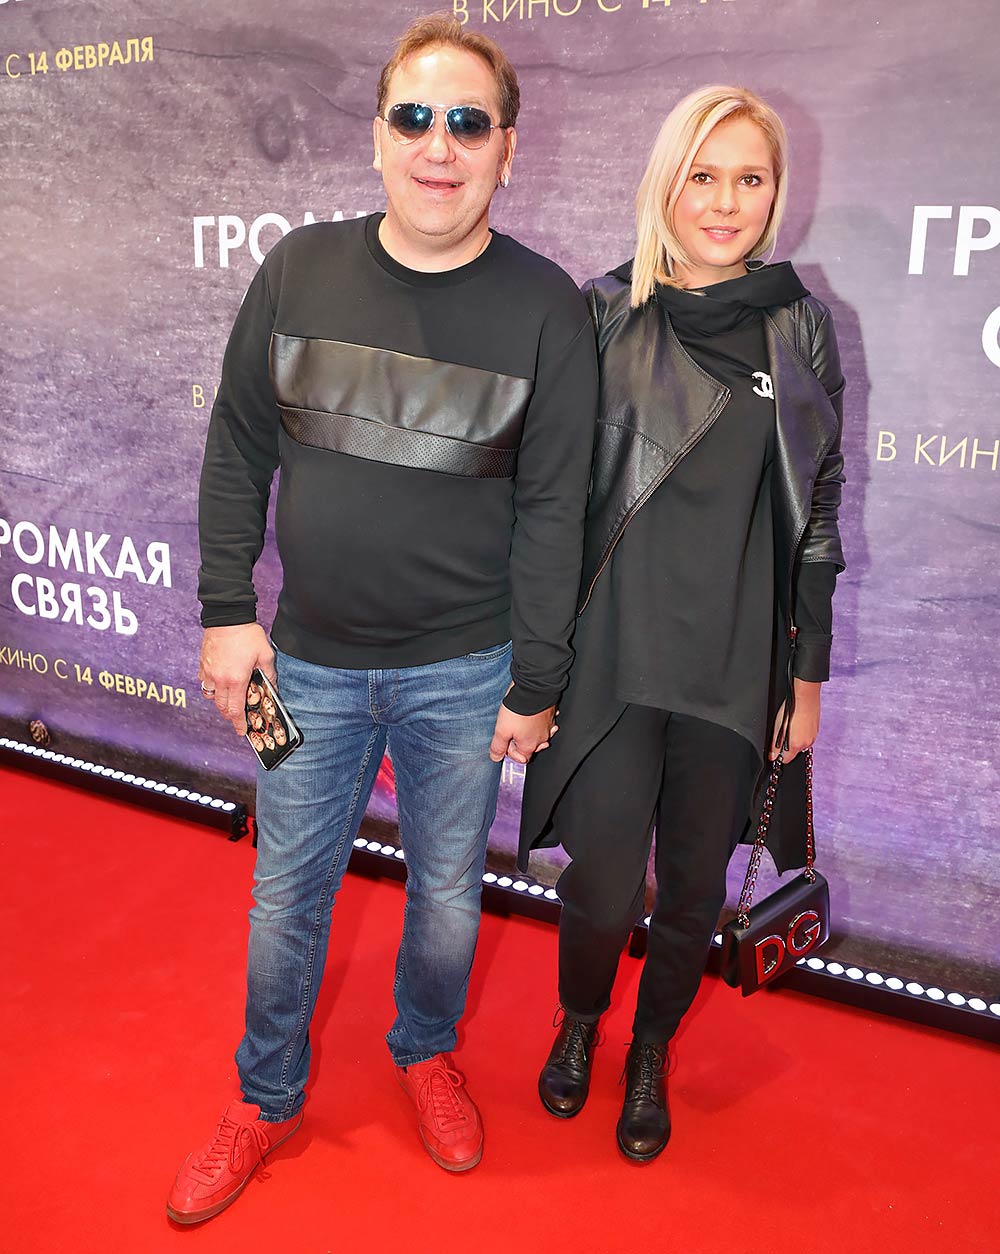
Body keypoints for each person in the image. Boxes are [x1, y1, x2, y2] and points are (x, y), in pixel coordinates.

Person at [168, 15, 597, 1224]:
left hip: (467, 675)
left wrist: (536, 677)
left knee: (448, 897)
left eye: (467, 122)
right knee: (284, 899)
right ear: (375, 136)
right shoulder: (298, 271)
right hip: (301, 667)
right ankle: (263, 1095)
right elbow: (237, 449)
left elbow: (554, 510)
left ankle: (424, 1051)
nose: (437, 145)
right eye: (413, 117)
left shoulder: (547, 310)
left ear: (505, 148)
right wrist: (225, 613)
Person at [518, 85, 846, 1163]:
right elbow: (548, 500)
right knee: (603, 883)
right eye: (703, 176)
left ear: (775, 194)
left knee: (695, 890)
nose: (725, 202)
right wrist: (535, 666)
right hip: (611, 657)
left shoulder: (799, 325)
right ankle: (579, 1020)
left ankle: (651, 1047)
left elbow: (818, 508)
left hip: (733, 665)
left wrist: (805, 679)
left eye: (750, 179)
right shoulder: (602, 311)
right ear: (666, 183)